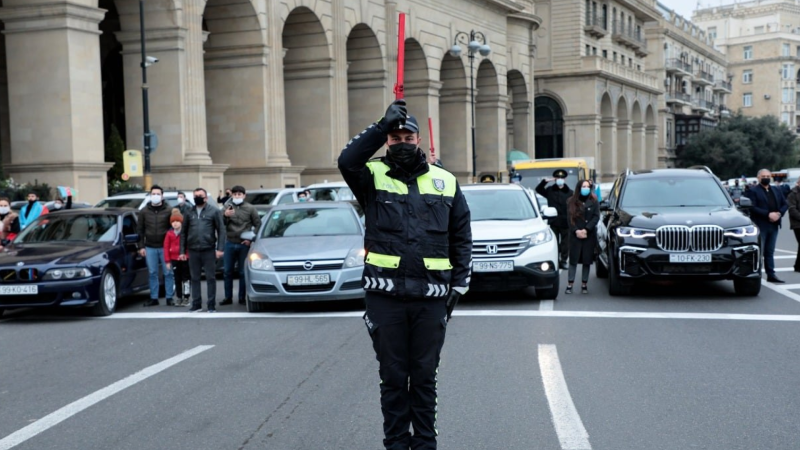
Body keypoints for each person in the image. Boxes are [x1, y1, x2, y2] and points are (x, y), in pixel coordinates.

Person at [338, 99, 472, 450]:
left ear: (418, 141)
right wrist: (381, 124)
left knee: (425, 378)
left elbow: (461, 234)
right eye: (394, 138)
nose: (400, 143)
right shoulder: (372, 177)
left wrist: (459, 283)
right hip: (386, 298)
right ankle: (397, 444)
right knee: (394, 378)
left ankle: (425, 444)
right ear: (387, 142)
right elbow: (346, 160)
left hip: (432, 299)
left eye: (406, 137)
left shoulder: (445, 181)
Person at [180, 188, 225, 312]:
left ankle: (211, 305)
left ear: (205, 197)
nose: (197, 197)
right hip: (193, 249)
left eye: (200, 195)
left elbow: (221, 230)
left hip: (208, 249)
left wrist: (220, 248)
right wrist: (182, 251)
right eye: (195, 196)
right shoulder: (189, 212)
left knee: (210, 278)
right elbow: (183, 232)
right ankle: (196, 304)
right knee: (194, 278)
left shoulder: (214, 211)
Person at [745, 169, 788, 283]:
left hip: (774, 225)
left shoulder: (776, 190)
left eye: (768, 176)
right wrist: (768, 214)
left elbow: (785, 204)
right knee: (759, 251)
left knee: (769, 251)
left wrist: (779, 214)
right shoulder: (753, 191)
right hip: (760, 225)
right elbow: (752, 207)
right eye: (763, 176)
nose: (766, 178)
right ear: (758, 178)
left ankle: (771, 274)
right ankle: (756, 275)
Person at [221, 185, 261, 306]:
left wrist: (251, 239)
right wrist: (225, 216)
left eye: (239, 194)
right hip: (230, 242)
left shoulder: (250, 208)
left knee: (243, 272)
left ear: (244, 195)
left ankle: (242, 297)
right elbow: (220, 224)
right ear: (231, 195)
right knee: (227, 271)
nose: (237, 196)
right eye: (235, 194)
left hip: (244, 243)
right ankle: (228, 297)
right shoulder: (226, 207)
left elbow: (258, 224)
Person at [137, 185, 175, 306]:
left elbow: (174, 228)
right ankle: (154, 297)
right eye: (153, 194)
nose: (155, 196)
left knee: (168, 272)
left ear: (162, 196)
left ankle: (169, 297)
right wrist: (141, 246)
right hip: (150, 246)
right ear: (150, 195)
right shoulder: (144, 211)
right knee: (152, 272)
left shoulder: (169, 210)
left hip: (165, 247)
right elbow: (140, 230)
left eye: (158, 194)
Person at [565, 180, 599, 294]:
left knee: (586, 260)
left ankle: (584, 284)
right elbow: (570, 219)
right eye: (583, 186)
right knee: (573, 260)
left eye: (587, 186)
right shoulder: (571, 201)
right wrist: (576, 231)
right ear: (579, 187)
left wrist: (586, 229)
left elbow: (596, 217)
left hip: (588, 235)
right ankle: (570, 284)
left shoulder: (594, 201)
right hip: (575, 235)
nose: (586, 188)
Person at [536, 169, 573, 269]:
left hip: (566, 221)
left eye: (561, 178)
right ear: (555, 179)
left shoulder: (570, 192)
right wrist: (546, 181)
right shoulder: (550, 190)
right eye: (557, 178)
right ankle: (555, 260)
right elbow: (538, 189)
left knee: (566, 243)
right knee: (554, 242)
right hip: (554, 221)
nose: (559, 179)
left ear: (564, 179)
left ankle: (564, 260)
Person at [164, 208, 191, 307]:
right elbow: (166, 247)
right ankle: (179, 297)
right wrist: (167, 261)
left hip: (185, 259)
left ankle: (186, 297)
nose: (175, 223)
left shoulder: (185, 233)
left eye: (177, 221)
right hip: (174, 259)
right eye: (173, 221)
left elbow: (188, 245)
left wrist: (187, 255)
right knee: (177, 279)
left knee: (186, 278)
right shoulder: (169, 233)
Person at [786, 178, 800, 272]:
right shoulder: (792, 194)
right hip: (797, 223)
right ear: (798, 183)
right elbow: (792, 209)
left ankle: (797, 265)